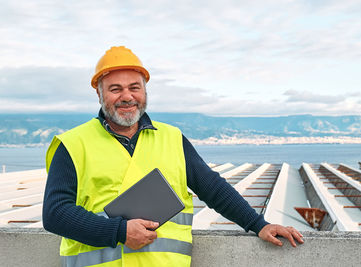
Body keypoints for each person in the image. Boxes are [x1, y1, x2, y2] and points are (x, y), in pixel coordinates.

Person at [43, 46, 304, 267]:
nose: (127, 96)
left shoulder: (172, 138)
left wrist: (258, 224)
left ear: (144, 91)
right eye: (115, 89)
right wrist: (119, 231)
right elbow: (55, 213)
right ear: (99, 93)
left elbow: (212, 188)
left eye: (135, 87)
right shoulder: (73, 144)